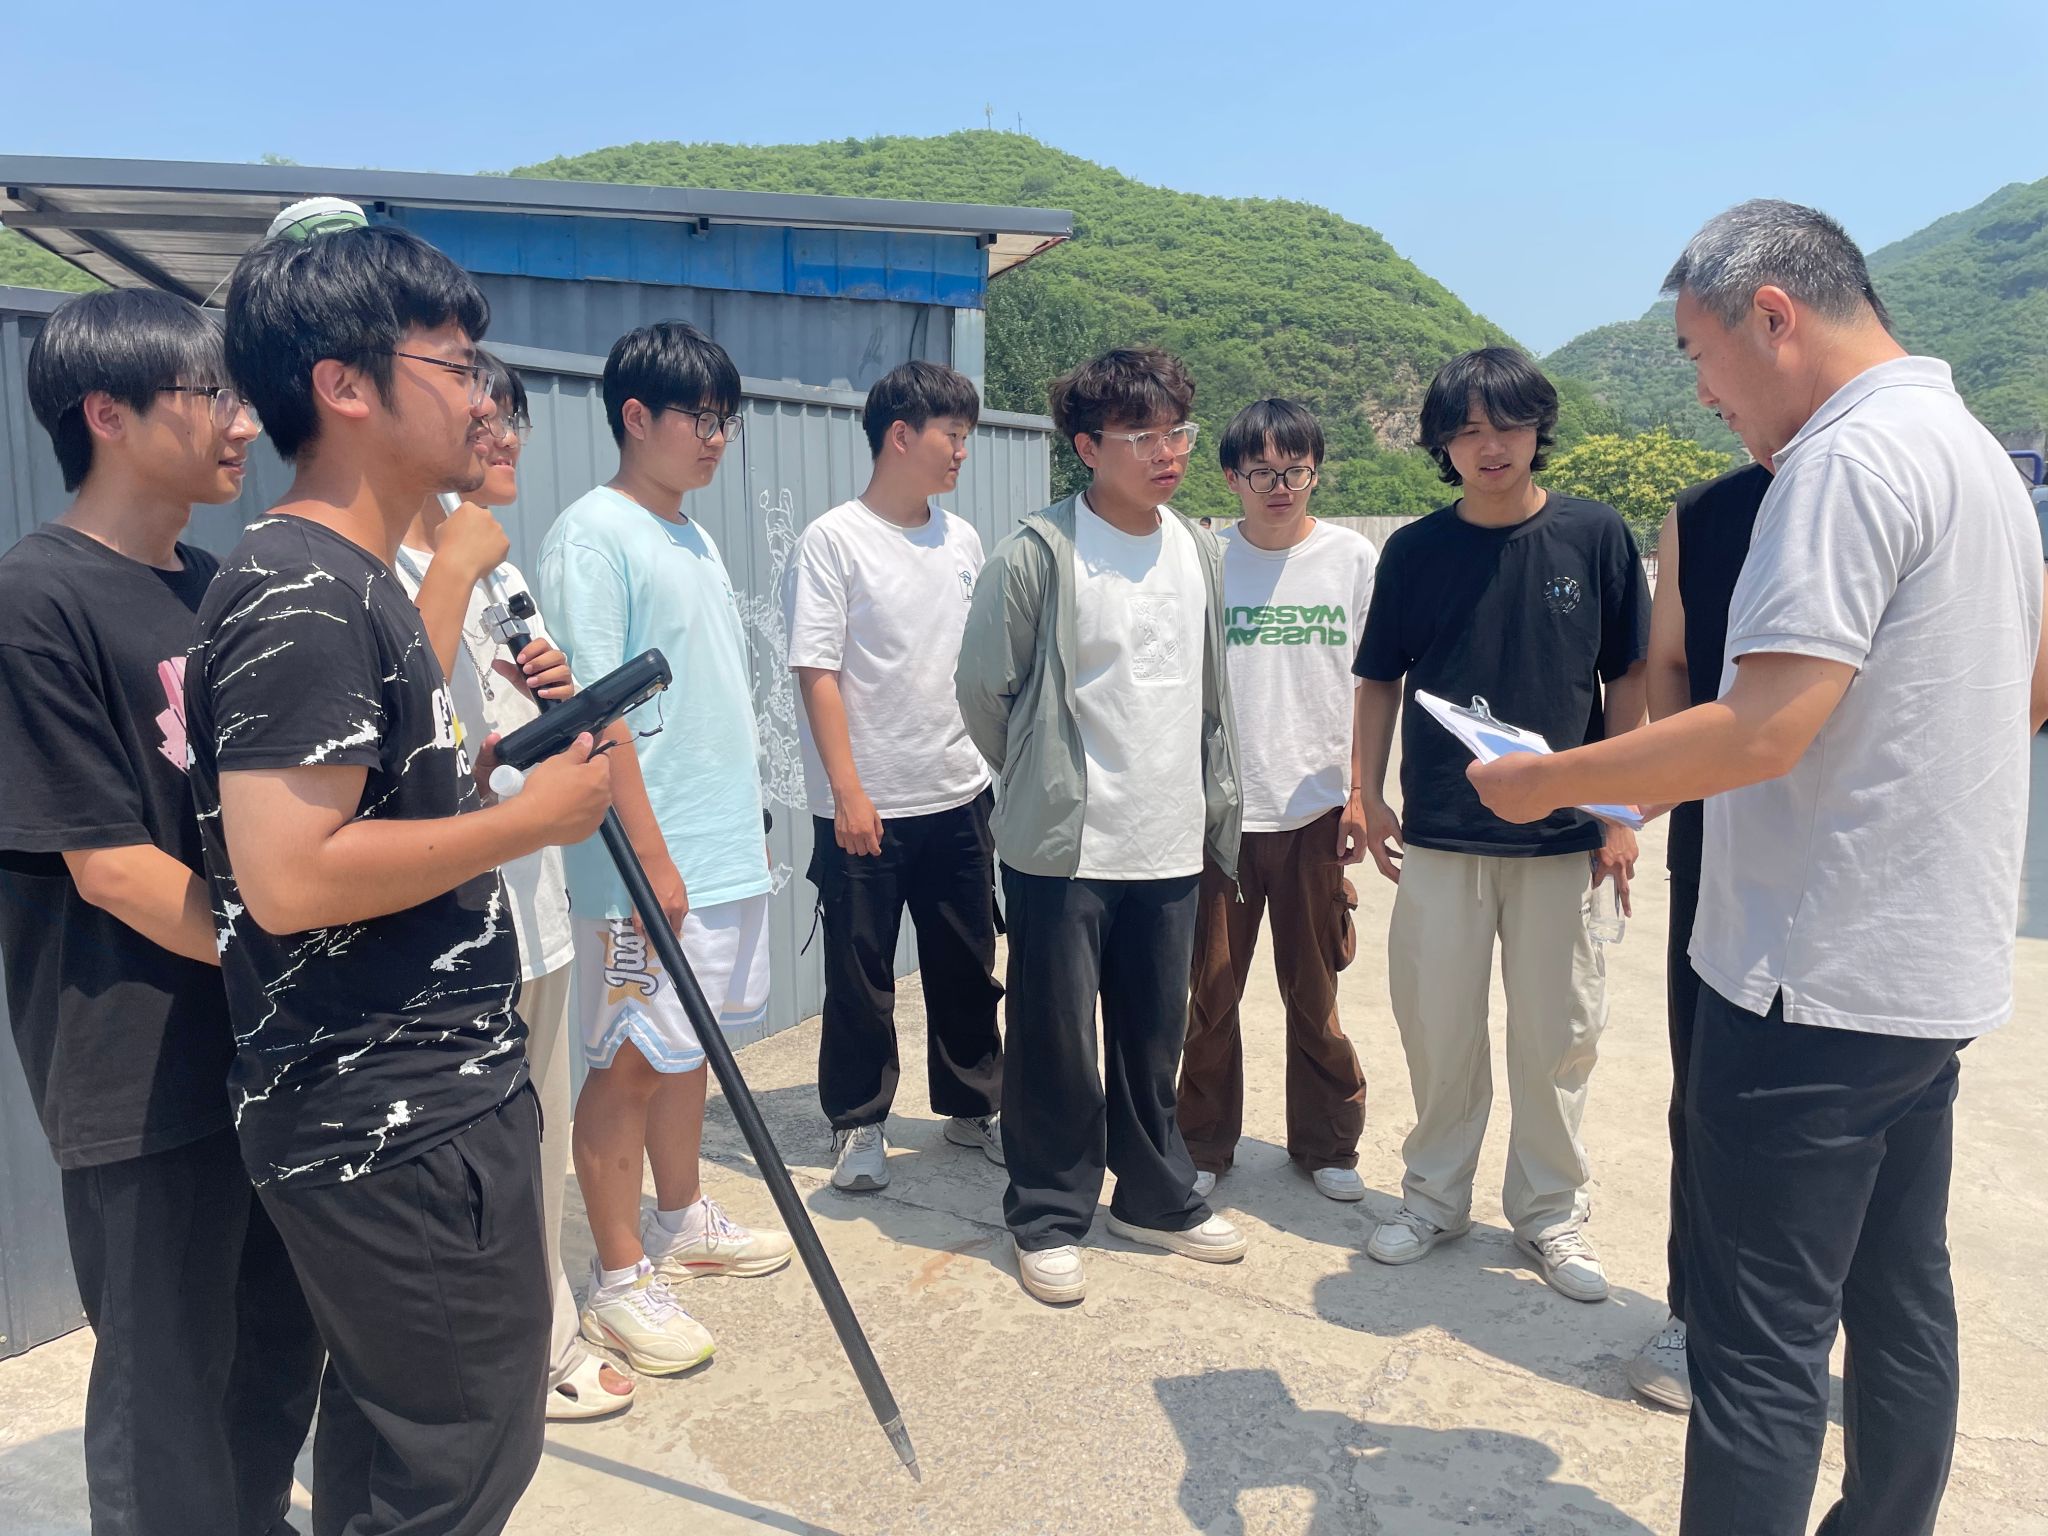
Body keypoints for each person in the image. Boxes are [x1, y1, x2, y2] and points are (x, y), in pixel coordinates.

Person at [1470, 199, 2048, 1535]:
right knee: (1898, 1295)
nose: (1701, 389)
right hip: (1924, 969)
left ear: (1772, 316)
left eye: (1697, 352)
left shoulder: (1841, 464)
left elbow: (1764, 726)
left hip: (1810, 978)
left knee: (1758, 1342)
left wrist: (1550, 782)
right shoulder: (1974, 455)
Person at [188, 224, 615, 1534]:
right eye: (454, 363)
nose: (483, 398)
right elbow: (288, 878)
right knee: (458, 1464)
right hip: (388, 1119)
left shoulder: (353, 584)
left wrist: (469, 783)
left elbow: (345, 830)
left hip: (424, 1098)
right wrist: (525, 822)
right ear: (344, 386)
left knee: (400, 1457)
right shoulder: (302, 590)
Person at [0, 289, 321, 1536]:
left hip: (261, 1046)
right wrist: (292, 956)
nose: (244, 423)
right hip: (139, 1067)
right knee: (165, 1392)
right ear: (108, 413)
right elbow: (110, 868)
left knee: (275, 1353)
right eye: (213, 396)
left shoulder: (216, 584)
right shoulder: (35, 601)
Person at [1352, 346, 1648, 1303]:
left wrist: (1618, 810)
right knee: (1438, 1028)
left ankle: (1551, 1212)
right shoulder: (1414, 551)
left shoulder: (1595, 536)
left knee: (1558, 1033)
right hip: (1443, 830)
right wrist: (1367, 792)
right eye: (1469, 430)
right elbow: (1379, 680)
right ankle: (1434, 1200)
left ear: (1538, 431)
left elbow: (1626, 679)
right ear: (1441, 443)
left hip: (1562, 837)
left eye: (1509, 425)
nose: (1491, 446)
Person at [956, 346, 1248, 1306]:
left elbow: (1205, 694)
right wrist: (1039, 781)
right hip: (1067, 845)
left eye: (1178, 432)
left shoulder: (1199, 549)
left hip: (1170, 836)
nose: (1169, 453)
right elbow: (984, 691)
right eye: (1142, 436)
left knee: (1153, 1036)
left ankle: (1155, 1197)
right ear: (1087, 447)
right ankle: (1046, 1213)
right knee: (1053, 1042)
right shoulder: (1038, 552)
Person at [538, 321, 793, 1380]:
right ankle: (618, 1278)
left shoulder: (689, 534)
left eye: (728, 420)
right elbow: (593, 715)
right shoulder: (591, 536)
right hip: (642, 866)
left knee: (691, 1046)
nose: (717, 438)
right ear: (636, 416)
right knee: (630, 1061)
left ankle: (681, 1216)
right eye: (702, 417)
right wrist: (649, 857)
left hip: (715, 846)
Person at [389, 348, 637, 1423]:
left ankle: (544, 1336)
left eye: (509, 422)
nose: (500, 441)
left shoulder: (495, 562)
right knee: (465, 1160)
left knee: (532, 1142)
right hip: (445, 918)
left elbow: (511, 722)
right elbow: (394, 737)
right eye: (480, 419)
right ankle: (504, 1354)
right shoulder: (395, 565)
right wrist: (451, 570)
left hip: (531, 902)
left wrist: (558, 699)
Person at [784, 360, 1004, 1191]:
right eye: (953, 435)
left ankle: (975, 1106)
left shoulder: (962, 539)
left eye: (967, 436)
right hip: (865, 802)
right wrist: (846, 791)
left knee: (967, 962)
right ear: (901, 435)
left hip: (957, 790)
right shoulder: (833, 540)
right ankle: (859, 1121)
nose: (962, 451)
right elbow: (817, 670)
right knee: (860, 975)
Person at [1175, 398, 1376, 1205]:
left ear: (1316, 471)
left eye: (1296, 470)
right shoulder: (1205, 561)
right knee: (1211, 994)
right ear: (1232, 477)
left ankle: (1327, 1144)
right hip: (1221, 814)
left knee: (1315, 993)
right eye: (1262, 472)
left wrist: (1359, 793)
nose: (1281, 487)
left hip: (1315, 813)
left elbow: (1370, 687)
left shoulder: (1350, 559)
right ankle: (1202, 1142)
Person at [1626, 460, 1770, 1413]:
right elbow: (1671, 662)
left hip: (1862, 853)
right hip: (1717, 840)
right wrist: (1691, 783)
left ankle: (1840, 1328)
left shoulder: (1911, 473)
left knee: (1862, 1119)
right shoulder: (1704, 511)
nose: (1709, 395)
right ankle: (1695, 1311)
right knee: (1706, 1088)